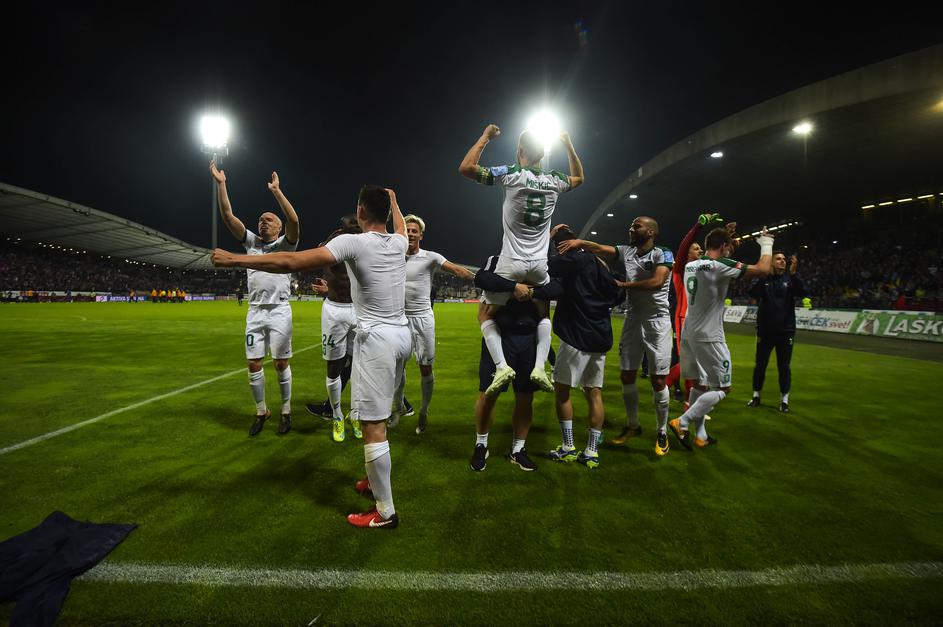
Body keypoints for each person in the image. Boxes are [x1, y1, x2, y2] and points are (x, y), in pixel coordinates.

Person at [212, 186, 411, 530]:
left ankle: (385, 512)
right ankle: (373, 481)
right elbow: (402, 227)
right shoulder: (398, 243)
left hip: (377, 340)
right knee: (374, 418)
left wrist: (235, 259)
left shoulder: (353, 242)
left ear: (361, 211)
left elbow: (291, 261)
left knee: (372, 425)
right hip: (402, 336)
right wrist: (395, 202)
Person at [460, 124, 584, 394]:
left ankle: (501, 366)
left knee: (486, 314)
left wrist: (485, 137)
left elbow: (467, 168)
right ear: (543, 154)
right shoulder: (555, 179)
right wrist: (568, 144)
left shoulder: (511, 173)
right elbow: (579, 178)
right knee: (542, 313)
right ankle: (539, 367)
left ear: (519, 152)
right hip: (539, 265)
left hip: (511, 262)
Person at [558, 216, 674, 456]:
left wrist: (623, 286)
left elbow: (657, 281)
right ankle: (633, 425)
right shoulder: (627, 251)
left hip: (657, 321)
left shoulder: (662, 253)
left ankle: (661, 431)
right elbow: (601, 248)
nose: (631, 229)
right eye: (631, 225)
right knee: (627, 375)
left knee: (658, 380)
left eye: (636, 226)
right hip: (633, 319)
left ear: (651, 232)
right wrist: (580, 242)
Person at [210, 160, 300, 437]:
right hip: (256, 311)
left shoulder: (286, 244)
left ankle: (286, 411)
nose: (263, 222)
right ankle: (262, 411)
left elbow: (294, 221)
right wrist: (222, 184)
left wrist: (276, 191)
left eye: (269, 220)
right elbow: (228, 216)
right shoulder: (251, 243)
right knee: (253, 364)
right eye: (260, 220)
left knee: (281, 363)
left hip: (279, 310)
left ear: (278, 227)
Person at [668, 226, 774, 450]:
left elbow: (718, 260)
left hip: (689, 333)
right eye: (728, 247)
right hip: (710, 336)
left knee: (699, 384)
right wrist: (766, 242)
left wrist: (727, 240)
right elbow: (763, 269)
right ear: (723, 246)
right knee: (723, 388)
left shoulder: (691, 265)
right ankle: (682, 422)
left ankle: (701, 435)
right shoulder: (720, 265)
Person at [470, 258, 563, 472]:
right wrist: (513, 287)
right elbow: (482, 283)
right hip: (500, 336)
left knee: (525, 397)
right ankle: (481, 444)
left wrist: (531, 291)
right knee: (488, 394)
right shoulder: (497, 261)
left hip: (529, 338)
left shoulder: (540, 265)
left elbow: (553, 295)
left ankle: (518, 449)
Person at [388, 214, 474, 434]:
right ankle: (398, 408)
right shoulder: (394, 256)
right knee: (397, 366)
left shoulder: (431, 257)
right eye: (407, 230)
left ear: (421, 235)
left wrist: (485, 280)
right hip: (400, 319)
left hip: (423, 319)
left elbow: (457, 270)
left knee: (425, 367)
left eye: (414, 231)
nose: (410, 234)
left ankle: (424, 411)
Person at [545, 225, 619, 468]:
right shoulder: (599, 262)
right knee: (594, 393)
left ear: (563, 246)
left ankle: (568, 447)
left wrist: (549, 236)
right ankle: (592, 452)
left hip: (576, 335)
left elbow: (544, 265)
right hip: (600, 335)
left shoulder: (572, 259)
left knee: (562, 392)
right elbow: (617, 294)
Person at [305, 215, 363, 442]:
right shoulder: (332, 244)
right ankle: (337, 415)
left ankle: (355, 414)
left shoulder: (368, 244)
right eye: (352, 224)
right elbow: (317, 256)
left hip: (359, 310)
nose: (357, 226)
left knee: (359, 366)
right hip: (335, 310)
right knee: (333, 367)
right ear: (343, 227)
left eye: (359, 223)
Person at [747, 252, 805, 413]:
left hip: (786, 331)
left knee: (784, 366)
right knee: (760, 365)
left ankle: (784, 400)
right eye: (778, 259)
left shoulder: (790, 279)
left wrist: (794, 275)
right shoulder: (764, 279)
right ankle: (756, 396)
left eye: (784, 259)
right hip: (765, 331)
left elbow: (803, 291)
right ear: (771, 262)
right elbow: (752, 293)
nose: (783, 261)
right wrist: (763, 274)